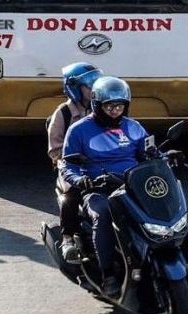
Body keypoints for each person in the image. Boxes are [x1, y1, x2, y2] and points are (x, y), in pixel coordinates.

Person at [61, 76, 149, 298]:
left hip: (132, 186)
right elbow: (67, 165)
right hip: (99, 189)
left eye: (119, 106)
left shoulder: (135, 128)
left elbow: (148, 154)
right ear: (97, 105)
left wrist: (166, 157)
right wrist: (81, 180)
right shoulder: (79, 130)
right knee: (103, 215)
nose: (114, 111)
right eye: (109, 106)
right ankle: (108, 273)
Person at [47, 62, 103, 263]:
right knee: (72, 193)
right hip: (72, 166)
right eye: (89, 86)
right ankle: (68, 238)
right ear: (75, 88)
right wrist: (74, 158)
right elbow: (54, 150)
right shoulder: (63, 113)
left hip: (102, 163)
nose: (93, 90)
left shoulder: (104, 109)